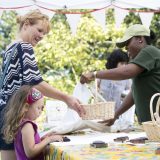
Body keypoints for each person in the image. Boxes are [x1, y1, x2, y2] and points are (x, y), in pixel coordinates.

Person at [0, 10, 85, 160]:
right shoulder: (24, 47)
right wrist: (67, 98)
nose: (41, 36)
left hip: (3, 113)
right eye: (39, 30)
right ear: (26, 25)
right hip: (13, 114)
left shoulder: (9, 48)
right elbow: (35, 82)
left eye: (44, 33)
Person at [80, 24, 160, 126]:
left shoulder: (149, 51)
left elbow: (126, 72)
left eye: (127, 43)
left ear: (140, 39)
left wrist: (94, 74)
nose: (126, 49)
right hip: (151, 125)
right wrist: (115, 114)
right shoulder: (142, 63)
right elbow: (133, 94)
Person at [2, 85, 63, 160]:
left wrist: (42, 139)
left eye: (42, 108)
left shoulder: (20, 123)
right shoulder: (27, 125)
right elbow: (30, 152)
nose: (40, 112)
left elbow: (28, 145)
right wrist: (49, 140)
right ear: (26, 107)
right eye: (38, 108)